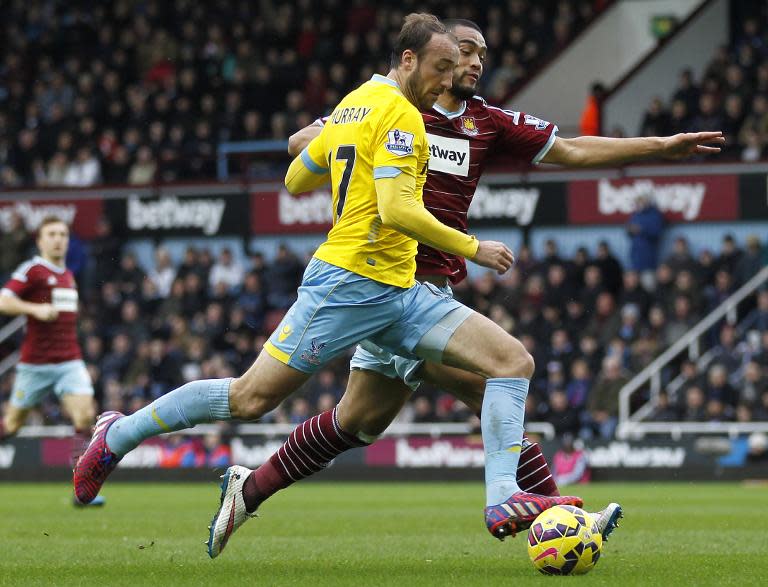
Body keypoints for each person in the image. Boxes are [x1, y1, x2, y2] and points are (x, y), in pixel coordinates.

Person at [74, 14, 583, 558]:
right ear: (408, 60)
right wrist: (471, 247)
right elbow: (396, 208)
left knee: (510, 364)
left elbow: (296, 177)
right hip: (348, 285)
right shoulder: (402, 118)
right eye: (440, 69)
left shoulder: (354, 104)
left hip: (402, 291)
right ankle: (118, 434)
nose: (446, 80)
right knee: (250, 398)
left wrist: (343, 152)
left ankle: (504, 495)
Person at [283, 16, 724, 543]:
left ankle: (250, 488)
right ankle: (555, 517)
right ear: (431, 57)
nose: (474, 62)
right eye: (464, 51)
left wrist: (659, 147)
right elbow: (304, 142)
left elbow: (574, 150)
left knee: (357, 422)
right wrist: (327, 134)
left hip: (429, 289)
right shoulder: (389, 107)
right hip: (387, 282)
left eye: (481, 55)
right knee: (495, 378)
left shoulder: (488, 123)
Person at [0, 215, 102, 506]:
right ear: (40, 240)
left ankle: (82, 490)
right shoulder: (33, 269)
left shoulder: (68, 275)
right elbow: (4, 300)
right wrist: (33, 309)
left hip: (70, 361)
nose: (59, 239)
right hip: (35, 365)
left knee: (85, 417)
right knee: (12, 425)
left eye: (63, 234)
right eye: (52, 234)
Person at [626, 195, 665, 291]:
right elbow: (629, 232)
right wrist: (630, 230)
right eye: (638, 202)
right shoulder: (635, 215)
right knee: (634, 290)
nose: (639, 204)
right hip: (635, 261)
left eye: (641, 201)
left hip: (648, 262)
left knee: (649, 289)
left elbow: (657, 233)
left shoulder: (655, 215)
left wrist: (641, 230)